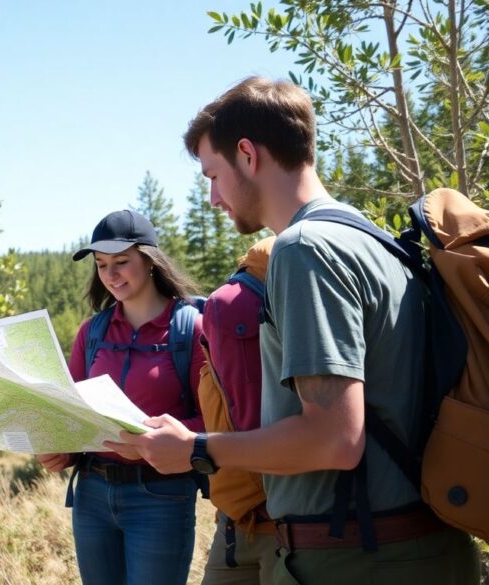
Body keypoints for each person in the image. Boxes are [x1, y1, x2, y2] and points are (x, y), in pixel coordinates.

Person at [108, 77, 479, 584]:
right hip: (413, 548)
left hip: (356, 559)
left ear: (247, 154)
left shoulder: (305, 250)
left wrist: (196, 447)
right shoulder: (370, 237)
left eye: (212, 175)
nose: (213, 197)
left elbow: (334, 438)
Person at [37, 209, 205, 585]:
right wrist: (61, 450)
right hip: (92, 495)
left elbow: (213, 423)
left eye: (121, 262)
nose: (110, 275)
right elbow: (72, 413)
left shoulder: (190, 329)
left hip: (160, 496)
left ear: (150, 261)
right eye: (101, 265)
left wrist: (152, 443)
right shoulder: (91, 333)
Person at [196, 236, 279, 585]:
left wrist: (190, 445)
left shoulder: (220, 307)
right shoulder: (224, 309)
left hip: (257, 520)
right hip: (243, 522)